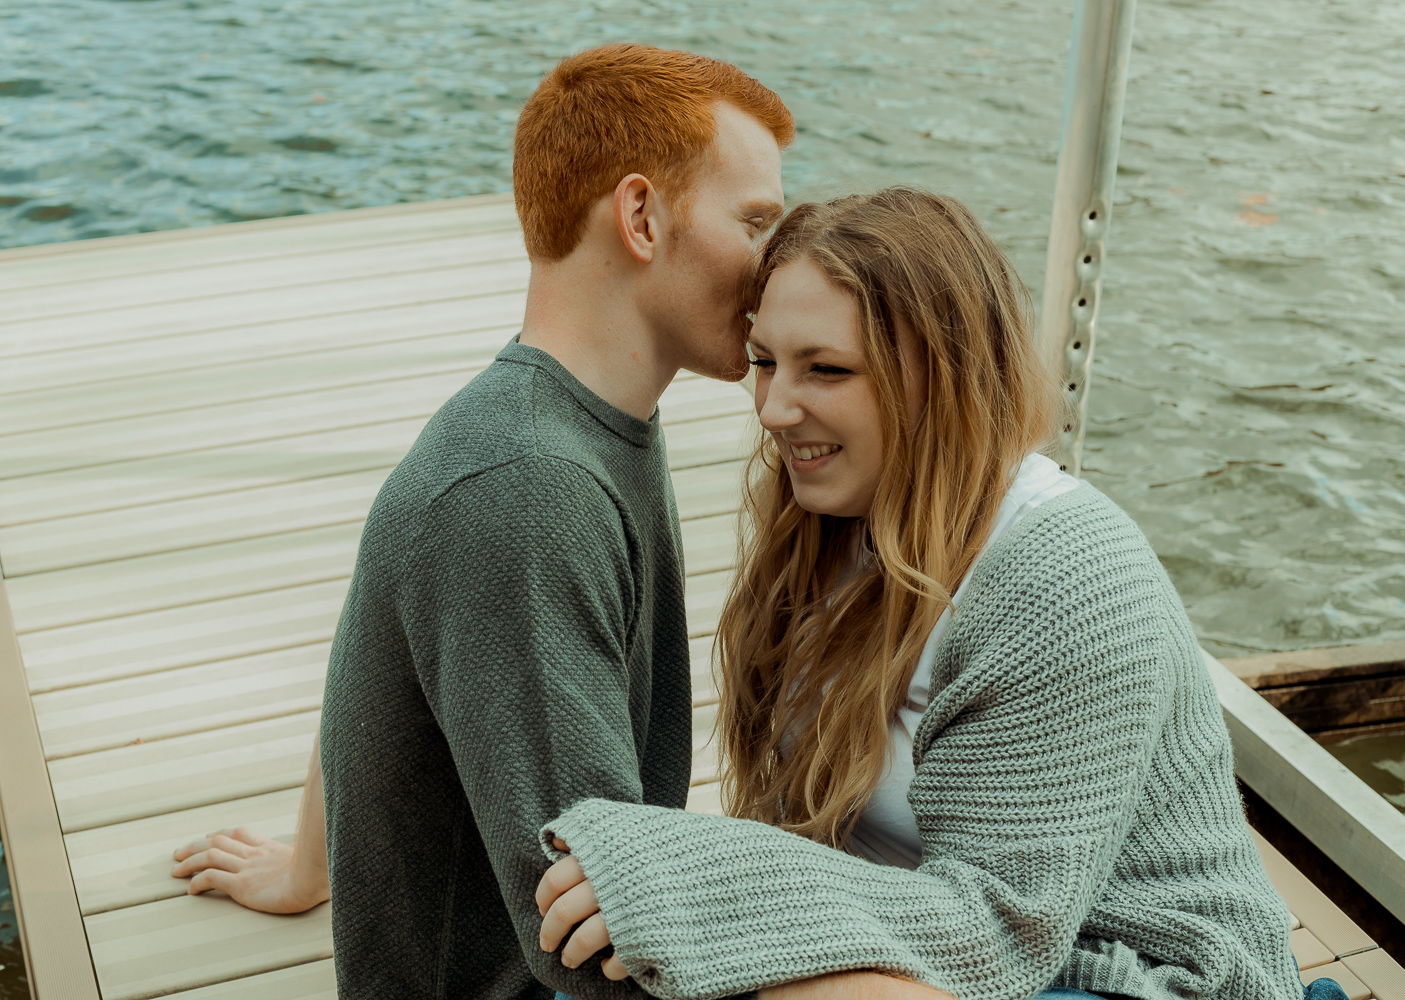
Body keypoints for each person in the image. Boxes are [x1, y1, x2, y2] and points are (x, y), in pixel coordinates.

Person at [532, 189, 1313, 1000]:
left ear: (945, 377)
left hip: (1132, 971)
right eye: (764, 360)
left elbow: (1000, 931)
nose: (773, 408)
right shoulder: (832, 522)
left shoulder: (1068, 578)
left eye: (826, 369)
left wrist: (695, 879)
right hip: (928, 941)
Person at [169, 42, 793, 999]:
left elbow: (384, 634)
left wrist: (309, 866)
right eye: (755, 224)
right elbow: (598, 945)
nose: (774, 267)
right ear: (641, 217)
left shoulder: (565, 421)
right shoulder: (528, 488)